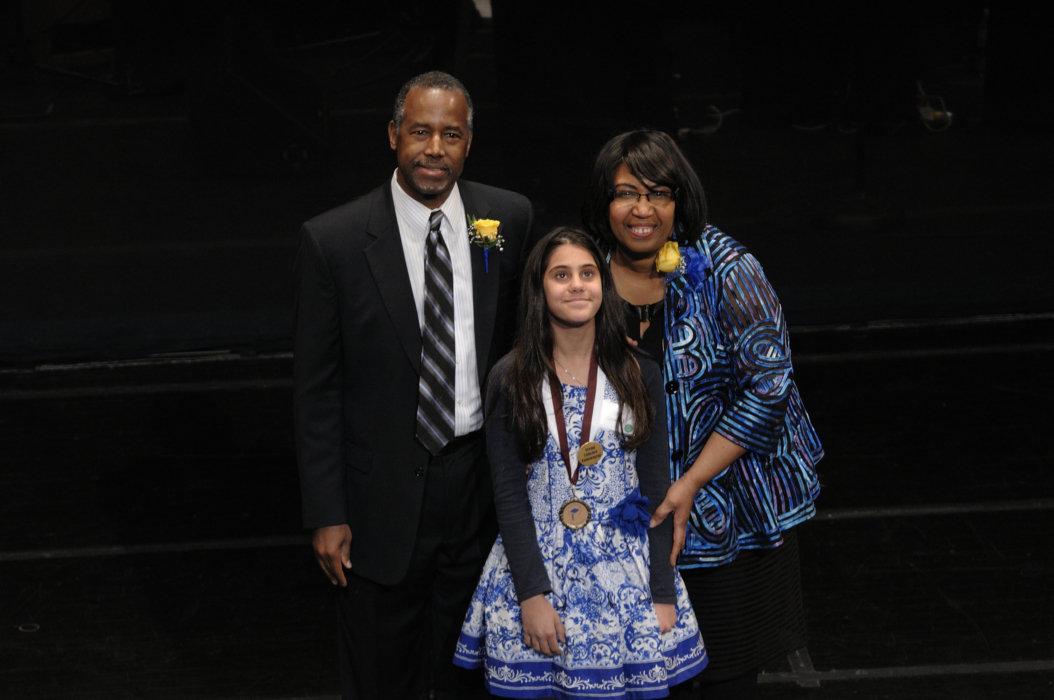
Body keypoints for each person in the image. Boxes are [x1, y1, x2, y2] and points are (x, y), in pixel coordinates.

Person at [293, 71, 534, 700]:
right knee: (380, 677)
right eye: (420, 131)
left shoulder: (504, 219)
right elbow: (317, 391)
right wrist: (326, 513)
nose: (434, 149)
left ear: (469, 143)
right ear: (393, 134)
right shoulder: (334, 240)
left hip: (479, 489)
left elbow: (523, 344)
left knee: (473, 677)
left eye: (450, 135)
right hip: (379, 502)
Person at [582, 130, 824, 700]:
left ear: (680, 199)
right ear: (604, 201)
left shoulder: (726, 267)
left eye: (658, 194)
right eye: (625, 193)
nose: (642, 210)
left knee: (724, 675)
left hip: (726, 514)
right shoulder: (579, 268)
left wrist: (689, 482)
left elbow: (770, 385)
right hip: (620, 520)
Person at [453, 227, 707, 698]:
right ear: (539, 288)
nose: (576, 285)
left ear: (603, 285)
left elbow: (655, 489)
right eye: (561, 275)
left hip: (625, 574)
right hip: (537, 571)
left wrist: (661, 591)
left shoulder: (639, 372)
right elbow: (508, 495)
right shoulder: (511, 378)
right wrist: (531, 596)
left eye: (588, 273)